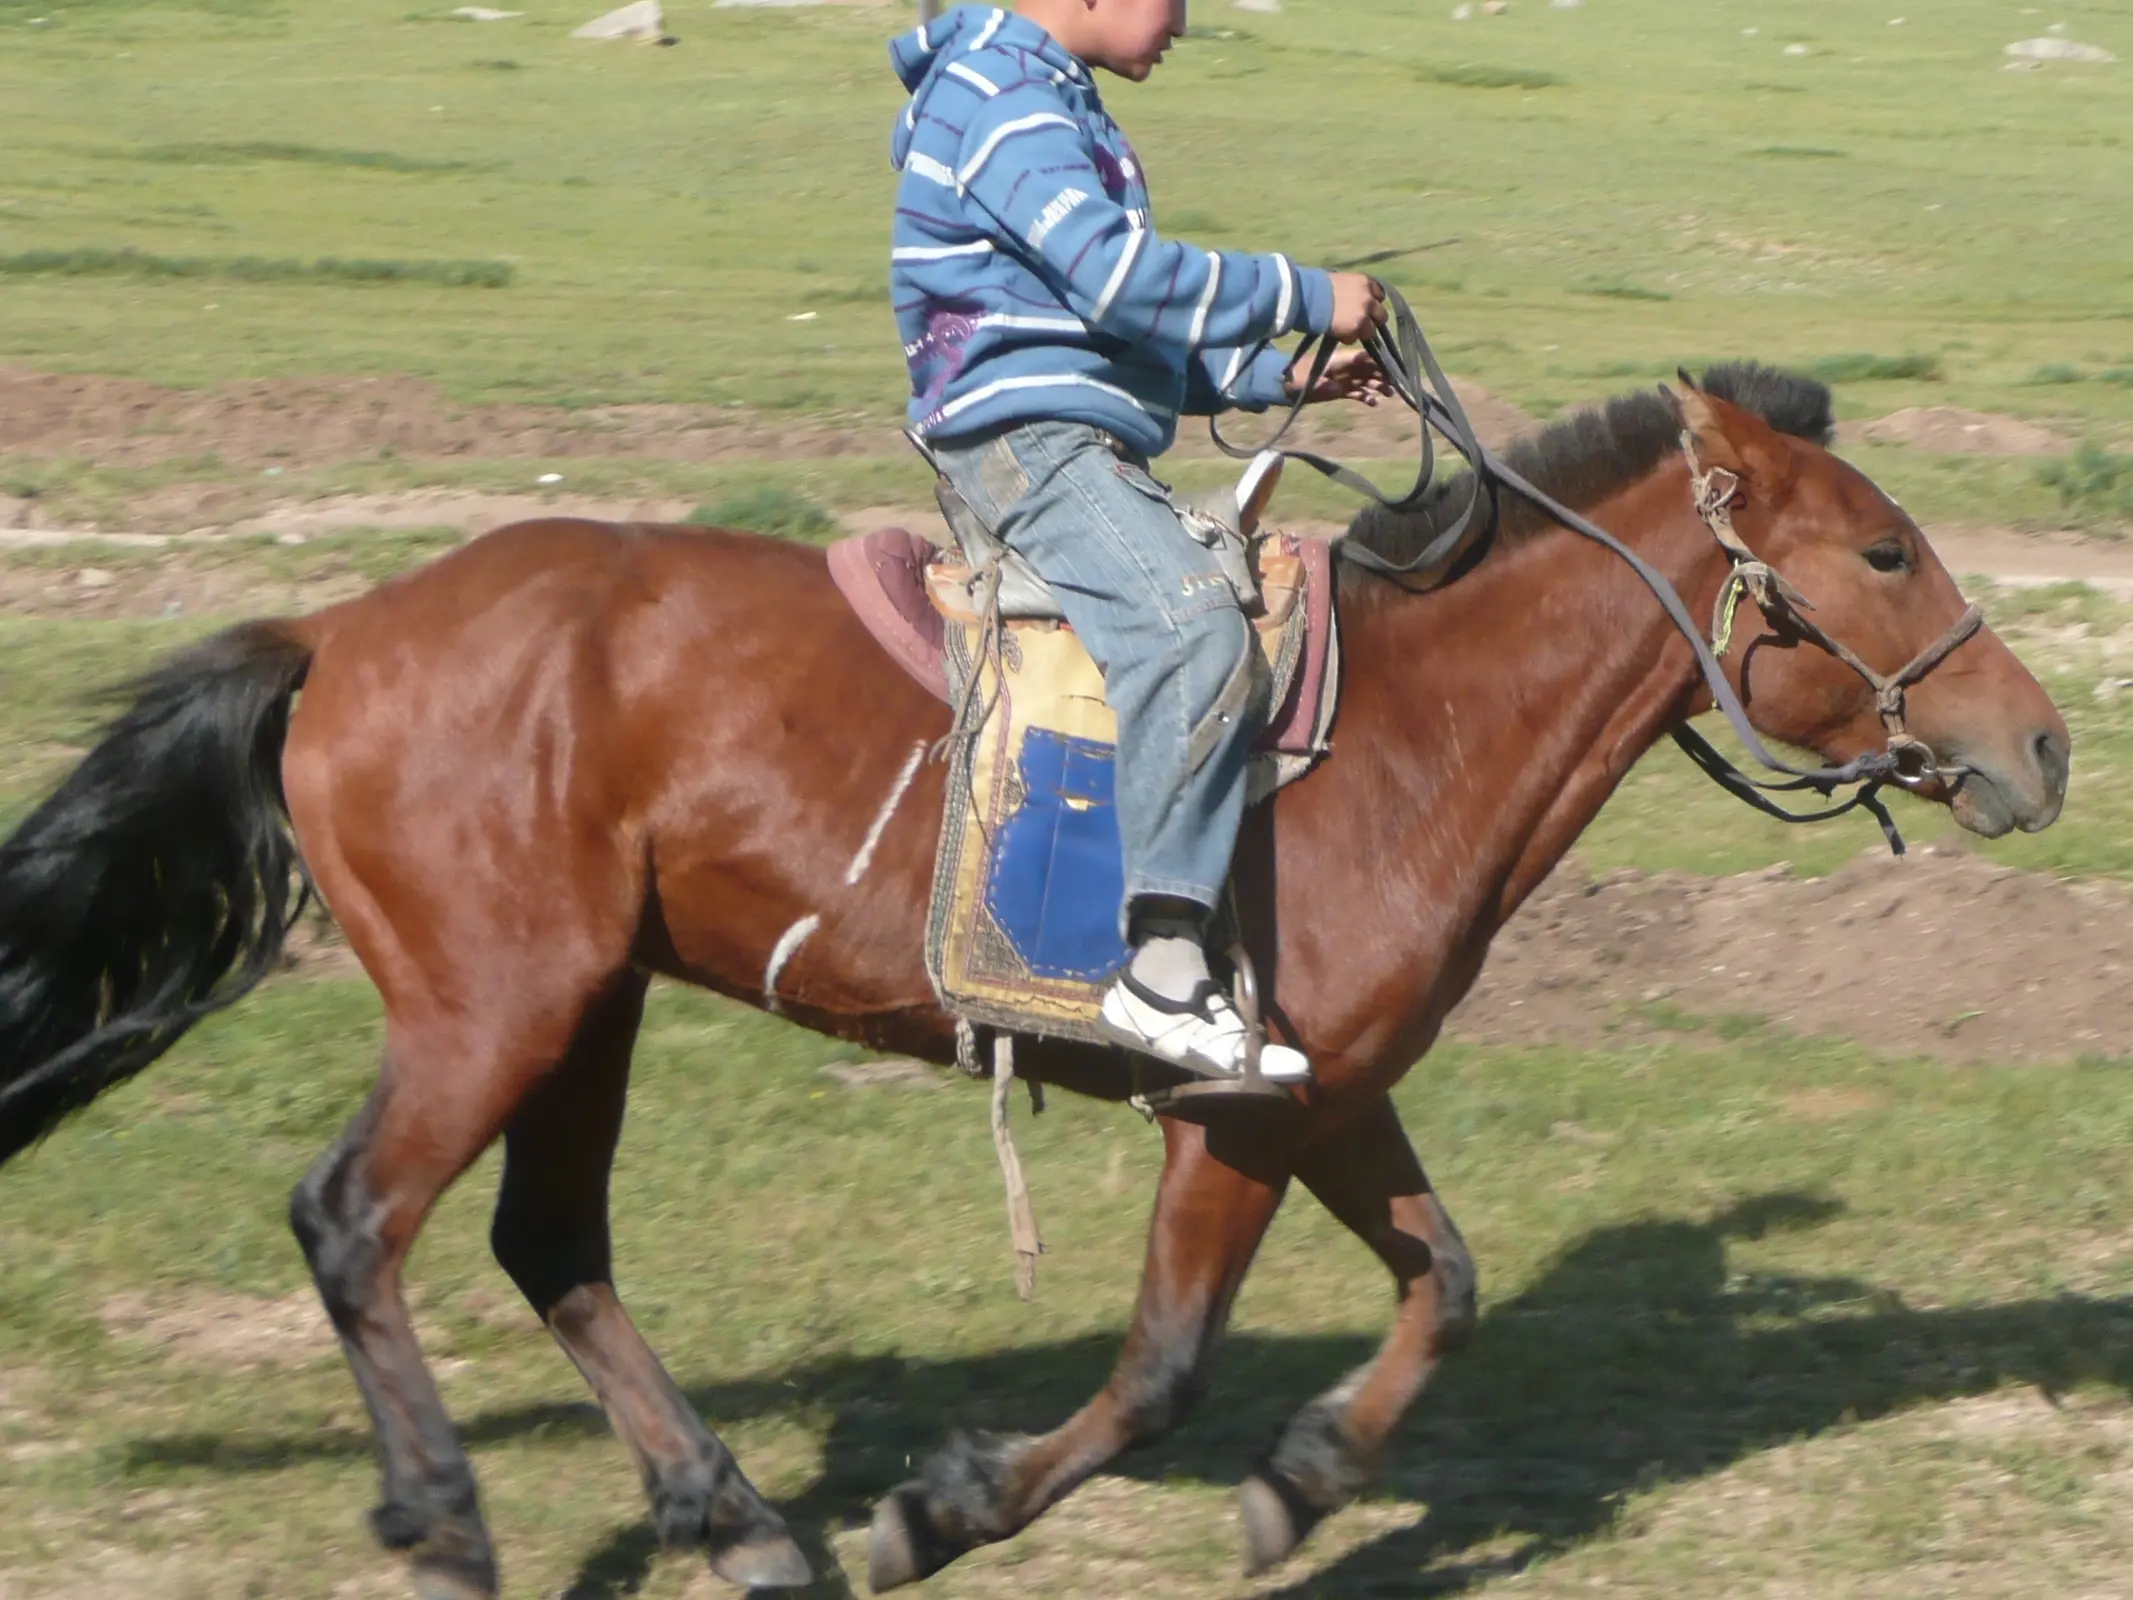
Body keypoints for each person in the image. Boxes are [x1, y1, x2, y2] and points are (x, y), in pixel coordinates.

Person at [889, 0, 1388, 1081]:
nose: (1186, 20)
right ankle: (1161, 970)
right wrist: (1307, 293)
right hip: (1035, 445)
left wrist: (1282, 374)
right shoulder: (1005, 97)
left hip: (1076, 431)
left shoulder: (1050, 97)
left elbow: (1114, 329)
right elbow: (1122, 278)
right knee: (1193, 630)